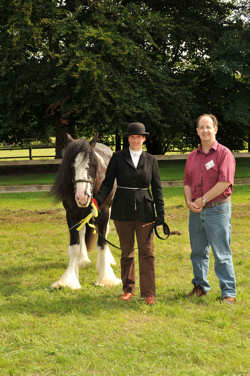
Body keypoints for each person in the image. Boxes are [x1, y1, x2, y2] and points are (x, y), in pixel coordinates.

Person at [95, 122, 165, 305]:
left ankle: (149, 292)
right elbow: (107, 183)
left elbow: (157, 189)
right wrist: (96, 202)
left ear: (143, 139)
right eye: (132, 137)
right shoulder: (118, 158)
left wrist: (161, 214)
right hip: (122, 210)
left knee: (147, 252)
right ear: (129, 139)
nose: (135, 140)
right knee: (127, 252)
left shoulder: (151, 160)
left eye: (138, 137)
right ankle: (128, 289)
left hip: (146, 211)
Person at [184, 114, 236, 303]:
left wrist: (203, 200)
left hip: (217, 209)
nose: (205, 131)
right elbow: (187, 183)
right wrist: (190, 201)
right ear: (197, 131)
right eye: (201, 127)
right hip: (196, 211)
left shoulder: (224, 154)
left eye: (208, 127)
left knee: (221, 252)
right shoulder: (192, 157)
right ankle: (200, 286)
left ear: (215, 129)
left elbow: (224, 183)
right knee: (197, 251)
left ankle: (228, 293)